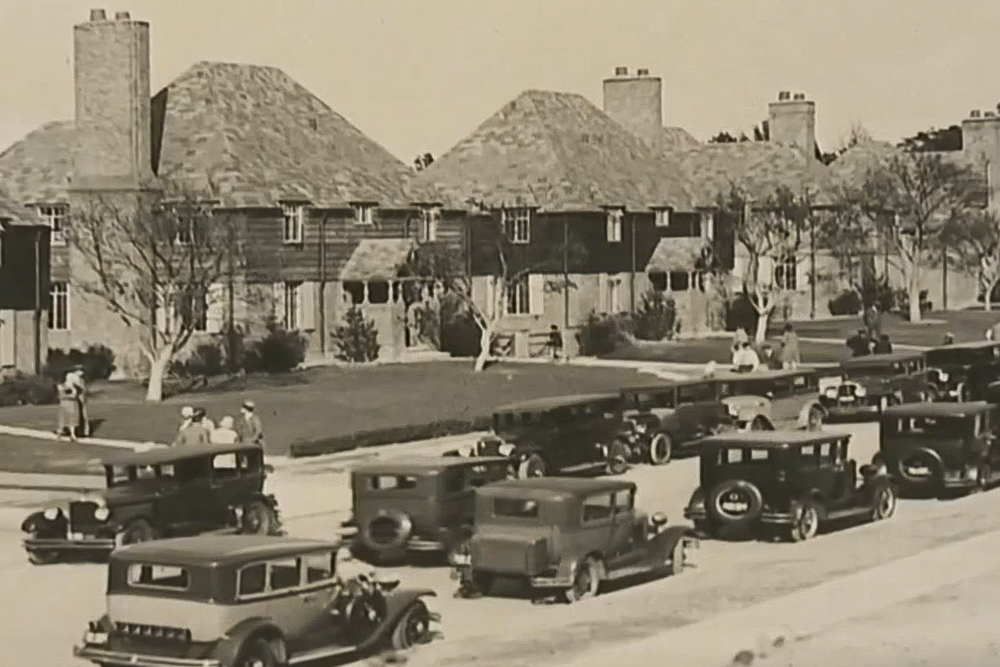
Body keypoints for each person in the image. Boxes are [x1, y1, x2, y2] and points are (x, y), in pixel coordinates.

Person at [55, 372, 80, 442]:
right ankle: (69, 434)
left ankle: (69, 434)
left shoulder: (61, 386)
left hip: (66, 404)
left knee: (66, 419)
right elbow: (73, 395)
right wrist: (70, 394)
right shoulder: (66, 387)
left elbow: (61, 396)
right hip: (69, 404)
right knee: (69, 419)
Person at [67, 367, 90, 438]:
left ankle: (83, 431)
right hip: (76, 397)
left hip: (80, 396)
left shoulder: (79, 379)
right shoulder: (73, 377)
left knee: (82, 413)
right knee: (77, 414)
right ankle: (77, 431)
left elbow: (82, 388)